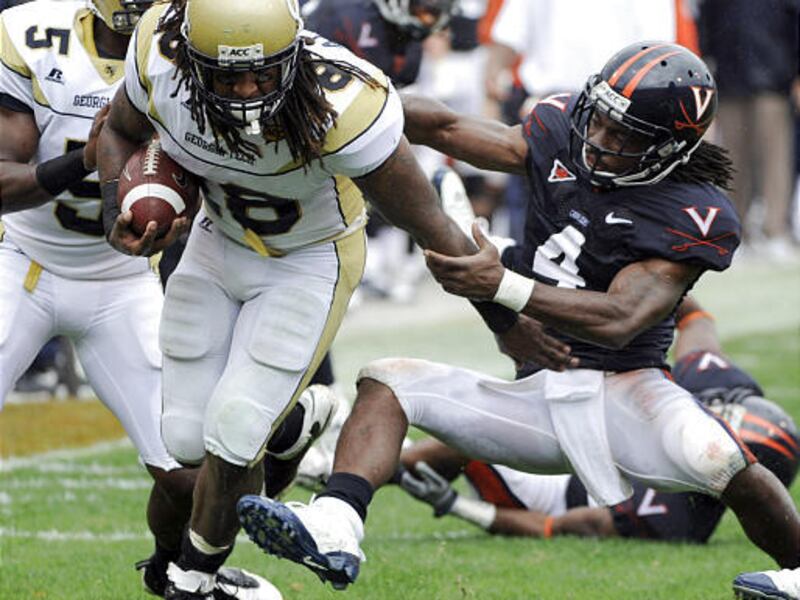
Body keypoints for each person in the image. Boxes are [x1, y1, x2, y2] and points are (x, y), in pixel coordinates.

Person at [235, 41, 800, 599]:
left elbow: (622, 318)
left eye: (623, 135)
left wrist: (501, 286)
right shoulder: (558, 132)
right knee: (387, 382)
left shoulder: (692, 210)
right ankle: (336, 524)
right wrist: (351, 102)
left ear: (670, 149)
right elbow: (450, 128)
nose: (599, 140)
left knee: (723, 461)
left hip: (628, 393)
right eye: (599, 119)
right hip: (537, 397)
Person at [96, 0, 570, 597]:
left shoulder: (342, 103)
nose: (245, 93)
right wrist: (119, 205)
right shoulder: (158, 56)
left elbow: (429, 222)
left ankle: (191, 581)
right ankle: (294, 426)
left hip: (309, 258)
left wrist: (503, 319)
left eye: (261, 74)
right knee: (187, 444)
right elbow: (117, 130)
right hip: (217, 243)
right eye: (227, 76)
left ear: (293, 54)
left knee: (235, 432)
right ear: (190, 57)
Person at [0, 2, 320, 598]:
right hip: (22, 261)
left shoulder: (201, 51)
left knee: (191, 474)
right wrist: (82, 162)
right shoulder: (31, 35)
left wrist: (184, 204)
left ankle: (172, 571)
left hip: (121, 281)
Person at [395, 297, 800, 542]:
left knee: (468, 435)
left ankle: (357, 469)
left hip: (553, 487)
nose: (718, 433)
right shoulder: (716, 384)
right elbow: (695, 318)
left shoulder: (681, 520)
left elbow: (559, 526)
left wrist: (458, 508)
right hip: (585, 415)